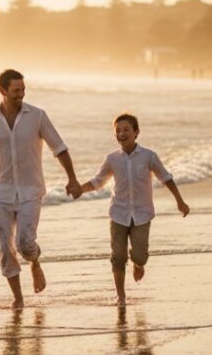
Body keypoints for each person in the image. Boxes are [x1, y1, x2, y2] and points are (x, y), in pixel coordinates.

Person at [0, 69, 81, 309]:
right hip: (2, 192)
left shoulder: (38, 116)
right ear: (2, 91)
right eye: (16, 91)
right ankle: (18, 298)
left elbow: (59, 148)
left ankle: (35, 261)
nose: (21, 94)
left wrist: (72, 178)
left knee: (24, 242)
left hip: (31, 191)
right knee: (5, 248)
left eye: (23, 90)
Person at [79, 113, 189, 305]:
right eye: (118, 131)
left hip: (142, 214)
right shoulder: (112, 158)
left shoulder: (149, 156)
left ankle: (138, 264)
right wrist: (78, 189)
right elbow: (98, 182)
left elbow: (166, 178)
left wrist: (179, 201)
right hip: (118, 214)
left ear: (136, 132)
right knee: (118, 257)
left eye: (126, 130)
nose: (122, 133)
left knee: (140, 255)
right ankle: (121, 295)